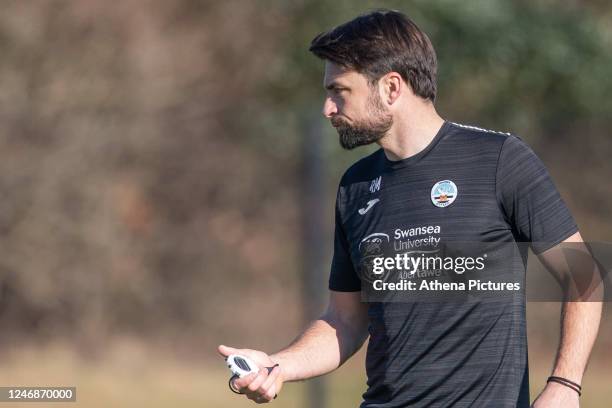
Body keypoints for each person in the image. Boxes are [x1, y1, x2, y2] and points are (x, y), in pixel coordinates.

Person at [218, 9, 602, 407]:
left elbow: (584, 274)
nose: (328, 109)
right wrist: (276, 366)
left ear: (391, 87)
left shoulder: (499, 160)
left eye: (339, 91)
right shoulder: (356, 185)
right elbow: (345, 319)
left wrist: (565, 384)